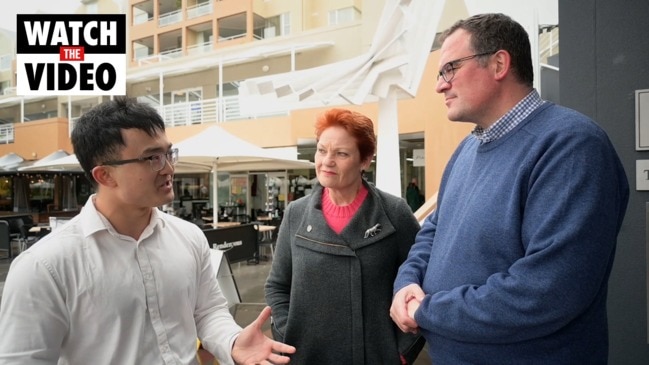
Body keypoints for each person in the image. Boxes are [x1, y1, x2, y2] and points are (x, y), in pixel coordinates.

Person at [390, 13, 629, 364]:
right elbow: (435, 231)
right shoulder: (467, 149)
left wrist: (429, 309)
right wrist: (407, 283)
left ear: (500, 63)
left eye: (450, 68)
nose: (441, 85)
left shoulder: (572, 145)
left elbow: (549, 291)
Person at [0, 97, 295, 365]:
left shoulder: (189, 237)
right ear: (105, 175)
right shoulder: (44, 267)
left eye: (169, 154)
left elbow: (208, 311)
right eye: (153, 158)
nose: (168, 169)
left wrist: (232, 342)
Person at [265, 108, 424, 364]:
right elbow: (277, 286)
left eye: (341, 153)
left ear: (365, 160)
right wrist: (289, 335)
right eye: (321, 149)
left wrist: (402, 352)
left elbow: (423, 280)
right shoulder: (296, 213)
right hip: (307, 356)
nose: (327, 161)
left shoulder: (394, 212)